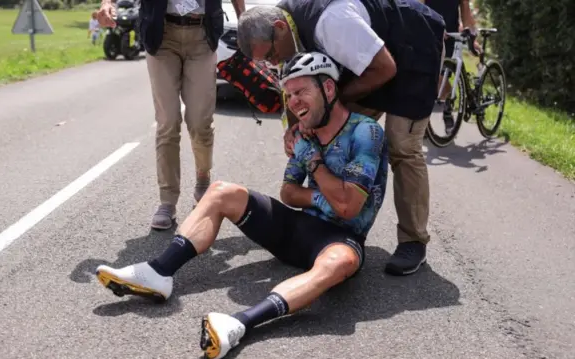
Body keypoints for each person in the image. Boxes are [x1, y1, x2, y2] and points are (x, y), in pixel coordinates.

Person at [94, 52, 389, 359]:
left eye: (302, 92)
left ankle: (238, 324)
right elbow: (288, 193)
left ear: (328, 90)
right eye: (289, 95)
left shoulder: (365, 132)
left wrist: (313, 163)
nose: (294, 103)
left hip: (339, 240)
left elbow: (347, 208)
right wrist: (319, 194)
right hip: (297, 229)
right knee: (222, 191)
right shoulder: (304, 132)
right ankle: (158, 272)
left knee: (341, 262)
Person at [236, 0, 446, 276]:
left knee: (402, 147)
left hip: (411, 52)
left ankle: (413, 241)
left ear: (279, 28)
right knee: (324, 124)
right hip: (367, 60)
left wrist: (331, 102)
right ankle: (333, 210)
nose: (273, 63)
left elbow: (385, 68)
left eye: (272, 55)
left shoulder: (331, 22)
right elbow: (293, 83)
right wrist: (294, 126)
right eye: (266, 61)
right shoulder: (281, 25)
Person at [96, 0, 245, 230]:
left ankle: (203, 179)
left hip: (202, 34)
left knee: (200, 122)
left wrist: (242, 18)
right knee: (168, 121)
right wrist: (107, 3)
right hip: (161, 34)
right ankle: (167, 201)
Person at [422, 0, 482, 134]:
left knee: (440, 77)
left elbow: (466, 13)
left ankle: (447, 109)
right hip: (428, 33)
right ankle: (424, 121)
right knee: (428, 78)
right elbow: (419, 8)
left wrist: (473, 38)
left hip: (449, 36)